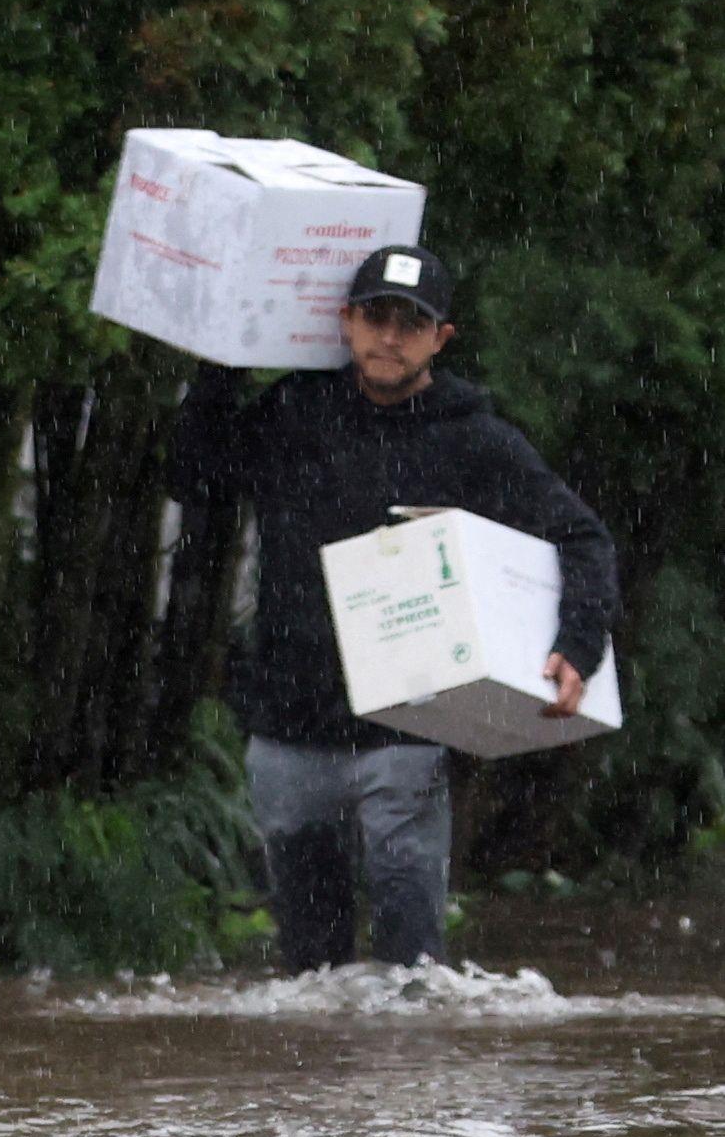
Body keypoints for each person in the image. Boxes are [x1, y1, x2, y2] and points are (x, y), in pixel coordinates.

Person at [170, 244, 619, 971]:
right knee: (309, 974)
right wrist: (223, 363)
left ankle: (410, 1086)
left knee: (412, 968)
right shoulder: (291, 410)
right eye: (375, 316)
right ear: (344, 322)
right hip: (288, 730)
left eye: (410, 323)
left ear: (439, 338)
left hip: (407, 729)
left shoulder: (474, 440)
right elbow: (192, 474)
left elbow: (581, 535)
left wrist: (578, 641)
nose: (388, 336)